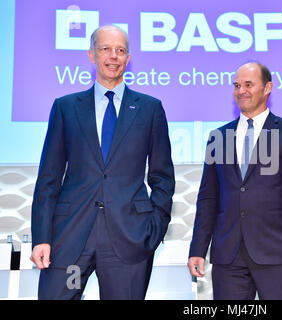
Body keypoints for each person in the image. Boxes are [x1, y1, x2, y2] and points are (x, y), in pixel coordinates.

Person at [30, 25, 175, 300]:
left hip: (129, 238)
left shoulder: (149, 108)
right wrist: (42, 236)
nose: (113, 56)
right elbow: (48, 178)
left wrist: (153, 229)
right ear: (91, 55)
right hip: (70, 238)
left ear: (128, 58)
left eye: (120, 50)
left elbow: (162, 177)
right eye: (105, 49)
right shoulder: (65, 107)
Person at [187, 62, 282, 300]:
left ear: (267, 88)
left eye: (248, 84)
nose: (241, 91)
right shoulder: (218, 137)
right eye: (237, 85)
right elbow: (208, 198)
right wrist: (198, 249)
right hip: (228, 258)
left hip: (277, 256)